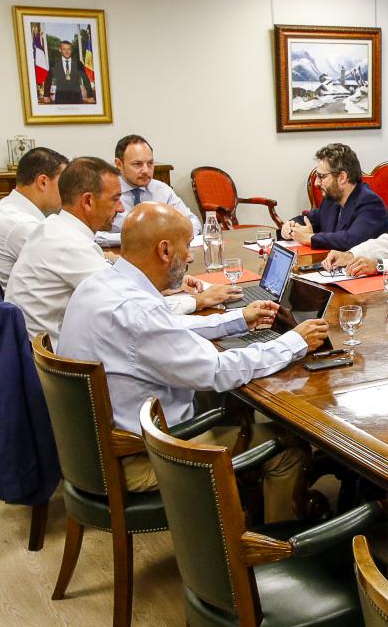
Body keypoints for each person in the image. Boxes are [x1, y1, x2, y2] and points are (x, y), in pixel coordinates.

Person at [58, 202, 329, 521]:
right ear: (163, 250)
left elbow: (164, 328)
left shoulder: (101, 284)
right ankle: (278, 556)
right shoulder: (139, 313)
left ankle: (243, 511)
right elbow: (218, 371)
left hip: (90, 452)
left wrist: (237, 319)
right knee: (288, 446)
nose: (189, 256)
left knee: (227, 403)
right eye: (186, 246)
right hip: (139, 460)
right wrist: (294, 341)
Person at [5, 157, 235, 347]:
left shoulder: (55, 229)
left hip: (48, 353)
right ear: (87, 202)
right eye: (115, 199)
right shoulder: (69, 246)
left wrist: (163, 280)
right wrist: (198, 302)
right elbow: (138, 311)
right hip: (66, 365)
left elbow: (118, 284)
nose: (121, 208)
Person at [0, 147, 68, 287]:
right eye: (63, 183)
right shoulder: (21, 224)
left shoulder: (5, 208)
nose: (67, 190)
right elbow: (66, 265)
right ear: (42, 182)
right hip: (9, 306)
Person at [94, 134, 202, 246]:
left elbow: (193, 222)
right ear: (119, 164)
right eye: (137, 164)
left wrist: (171, 236)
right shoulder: (104, 192)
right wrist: (133, 239)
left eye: (150, 163)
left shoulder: (162, 190)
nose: (146, 170)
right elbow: (92, 235)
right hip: (116, 255)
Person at [285, 143, 388, 250]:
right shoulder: (331, 201)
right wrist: (291, 227)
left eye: (321, 177)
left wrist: (310, 238)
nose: (316, 183)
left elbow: (350, 239)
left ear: (342, 177)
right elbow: (309, 219)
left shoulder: (370, 203)